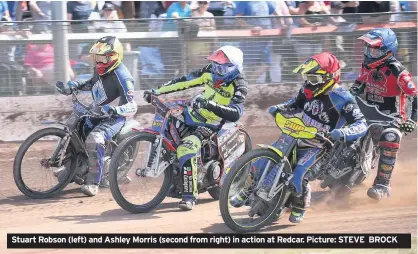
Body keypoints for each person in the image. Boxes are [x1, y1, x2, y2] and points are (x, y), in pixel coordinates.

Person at [231, 52, 368, 223]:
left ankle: (300, 204)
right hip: (295, 136)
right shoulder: (306, 89)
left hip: (320, 147)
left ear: (329, 78)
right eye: (308, 77)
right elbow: (294, 104)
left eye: (314, 79)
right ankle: (248, 189)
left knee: (298, 176)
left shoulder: (343, 99)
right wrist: (279, 108)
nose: (310, 82)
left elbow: (361, 124)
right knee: (260, 161)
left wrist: (341, 133)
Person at [143, 46, 248, 211]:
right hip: (193, 114)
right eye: (214, 65)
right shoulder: (208, 72)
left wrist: (210, 104)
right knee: (168, 130)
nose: (215, 70)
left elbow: (236, 113)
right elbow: (184, 81)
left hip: (214, 124)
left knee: (186, 148)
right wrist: (156, 91)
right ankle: (175, 177)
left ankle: (189, 197)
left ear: (233, 69)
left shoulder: (239, 84)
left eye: (220, 67)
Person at [55, 36, 138, 197]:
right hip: (97, 112)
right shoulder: (100, 68)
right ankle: (72, 167)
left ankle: (93, 183)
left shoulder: (124, 77)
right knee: (75, 130)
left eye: (102, 58)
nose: (98, 62)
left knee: (95, 138)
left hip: (115, 118)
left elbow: (132, 105)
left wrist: (115, 110)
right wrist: (74, 86)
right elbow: (92, 83)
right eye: (96, 58)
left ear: (114, 56)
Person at [349, 28, 417, 200]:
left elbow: (414, 95)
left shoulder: (398, 71)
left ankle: (382, 185)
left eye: (375, 49)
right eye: (368, 48)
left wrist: (413, 120)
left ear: (388, 50)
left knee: (390, 138)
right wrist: (357, 87)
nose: (370, 53)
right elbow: (361, 80)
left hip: (390, 118)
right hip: (367, 110)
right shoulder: (367, 64)